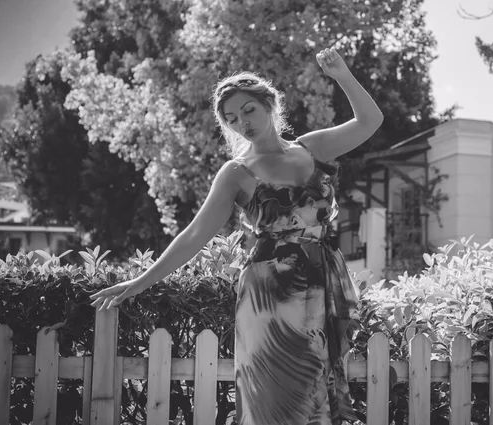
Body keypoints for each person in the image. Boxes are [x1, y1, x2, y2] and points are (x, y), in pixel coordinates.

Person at [90, 46, 384, 425]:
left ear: (270, 104)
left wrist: (342, 75)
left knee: (316, 392)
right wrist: (140, 281)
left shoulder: (314, 149)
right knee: (273, 397)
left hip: (320, 281)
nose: (242, 122)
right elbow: (195, 233)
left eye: (248, 110)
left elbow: (371, 120)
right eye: (231, 118)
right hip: (268, 296)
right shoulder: (237, 172)